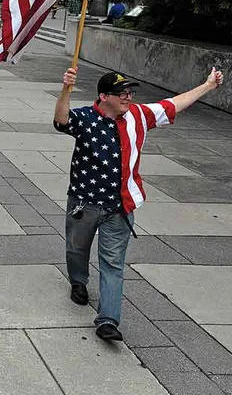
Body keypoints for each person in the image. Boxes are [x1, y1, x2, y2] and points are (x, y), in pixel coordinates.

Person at [55, 67, 224, 342]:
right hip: (84, 204)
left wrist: (207, 86)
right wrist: (66, 90)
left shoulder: (138, 116)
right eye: (121, 93)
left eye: (130, 92)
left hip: (120, 208)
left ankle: (108, 320)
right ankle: (78, 281)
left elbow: (173, 105)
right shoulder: (85, 118)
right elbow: (61, 120)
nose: (127, 97)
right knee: (76, 250)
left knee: (113, 263)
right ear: (103, 96)